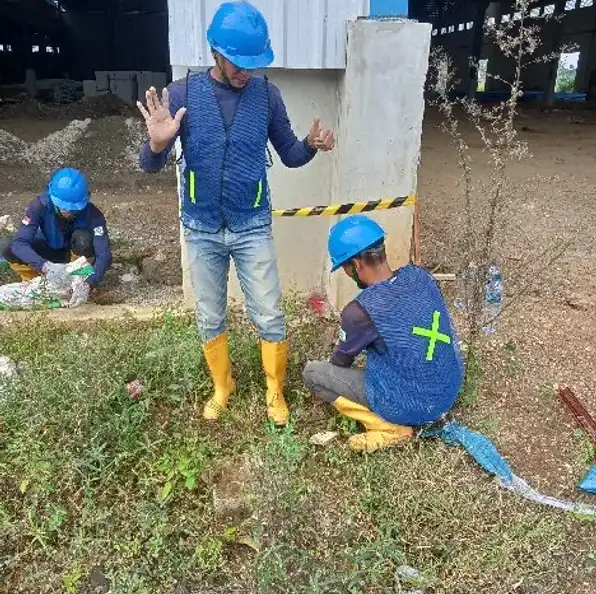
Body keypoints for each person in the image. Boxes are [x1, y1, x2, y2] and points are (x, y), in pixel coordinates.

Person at [137, 1, 335, 425]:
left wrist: (310, 146)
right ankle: (222, 386)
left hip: (251, 225)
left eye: (253, 62)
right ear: (216, 54)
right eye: (238, 62)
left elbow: (290, 154)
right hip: (201, 226)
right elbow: (150, 164)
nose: (246, 70)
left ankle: (274, 390)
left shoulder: (268, 96)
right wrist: (156, 143)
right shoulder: (181, 94)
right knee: (210, 313)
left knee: (269, 312)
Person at [302, 215, 464, 452]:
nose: (347, 273)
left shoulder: (359, 312)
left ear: (356, 265)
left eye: (345, 268)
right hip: (448, 390)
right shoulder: (420, 277)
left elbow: (340, 363)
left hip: (414, 406)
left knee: (313, 373)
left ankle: (390, 428)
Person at [0, 168, 112, 308]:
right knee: (6, 246)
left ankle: (75, 282)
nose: (69, 213)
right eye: (64, 208)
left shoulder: (94, 215)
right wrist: (44, 266)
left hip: (75, 260)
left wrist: (89, 283)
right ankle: (33, 280)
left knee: (84, 239)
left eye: (74, 209)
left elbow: (104, 255)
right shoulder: (38, 206)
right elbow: (19, 243)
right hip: (46, 254)